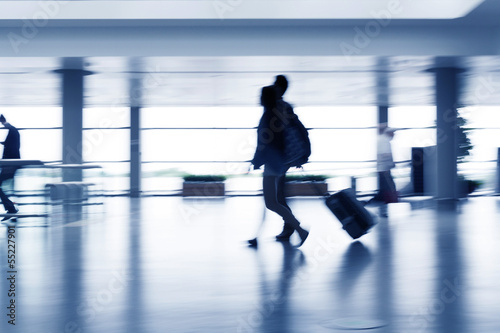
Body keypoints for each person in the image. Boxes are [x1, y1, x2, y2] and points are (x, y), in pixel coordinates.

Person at [249, 81, 309, 247]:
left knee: (272, 202)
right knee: (273, 201)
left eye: (261, 96)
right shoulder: (276, 113)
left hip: (273, 164)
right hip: (277, 163)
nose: (259, 98)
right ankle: (298, 230)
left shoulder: (269, 116)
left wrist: (256, 161)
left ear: (265, 98)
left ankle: (299, 229)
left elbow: (265, 142)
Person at [370, 124, 398, 207]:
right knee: (389, 186)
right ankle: (391, 201)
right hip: (384, 168)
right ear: (389, 133)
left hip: (382, 168)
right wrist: (391, 163)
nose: (394, 135)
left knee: (385, 187)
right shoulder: (384, 141)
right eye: (393, 133)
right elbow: (385, 154)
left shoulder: (382, 140)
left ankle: (383, 201)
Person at [0, 114, 20, 221]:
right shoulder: (13, 134)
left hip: (10, 166)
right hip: (10, 166)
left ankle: (11, 208)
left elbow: (11, 129)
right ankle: (11, 208)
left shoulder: (13, 131)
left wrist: (4, 122)